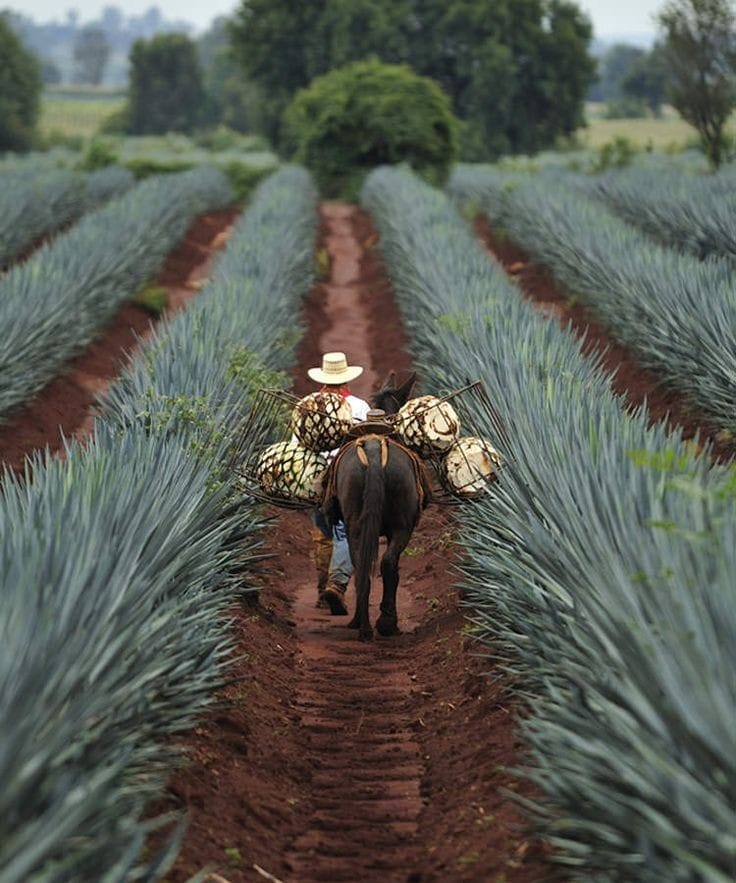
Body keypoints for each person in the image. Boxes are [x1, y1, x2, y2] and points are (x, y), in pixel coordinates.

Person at [307, 351, 370, 615]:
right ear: (346, 381)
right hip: (351, 474)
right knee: (345, 530)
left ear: (323, 379)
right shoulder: (360, 406)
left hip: (320, 475)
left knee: (323, 533)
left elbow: (299, 443)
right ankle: (337, 584)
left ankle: (324, 591)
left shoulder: (309, 405)